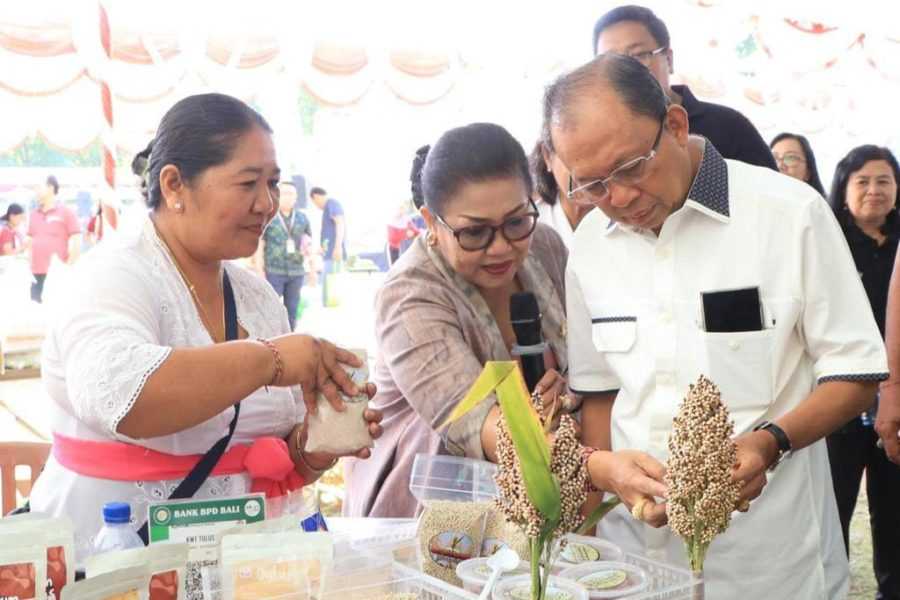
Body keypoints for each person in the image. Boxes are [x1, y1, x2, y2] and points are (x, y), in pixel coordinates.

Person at [545, 53, 887, 598]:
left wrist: (770, 442)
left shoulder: (788, 214)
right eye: (592, 186)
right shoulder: (589, 245)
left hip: (767, 554)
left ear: (675, 125)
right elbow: (601, 389)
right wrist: (609, 474)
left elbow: (856, 373)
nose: (620, 199)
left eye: (631, 168)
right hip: (638, 554)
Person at [29, 93, 383, 560]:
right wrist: (270, 360)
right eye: (248, 184)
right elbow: (123, 398)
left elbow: (265, 454)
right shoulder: (112, 275)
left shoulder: (254, 296)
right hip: (117, 564)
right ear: (174, 184)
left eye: (273, 183)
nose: (267, 203)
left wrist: (315, 446)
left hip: (241, 567)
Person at [345, 122, 672, 521]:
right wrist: (599, 468)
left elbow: (594, 367)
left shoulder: (545, 247)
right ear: (431, 222)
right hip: (442, 520)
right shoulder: (409, 296)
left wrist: (565, 398)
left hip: (556, 497)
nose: (501, 247)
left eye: (517, 221)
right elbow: (482, 425)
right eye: (475, 232)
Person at [825, 145, 900, 599]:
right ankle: (829, 585)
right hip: (841, 396)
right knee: (835, 501)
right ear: (845, 188)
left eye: (884, 181)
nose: (874, 190)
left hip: (895, 395)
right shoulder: (829, 241)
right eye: (863, 181)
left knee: (892, 507)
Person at [593, 5, 777, 171]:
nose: (627, 69)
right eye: (612, 62)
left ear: (669, 59)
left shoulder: (729, 127)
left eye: (640, 54)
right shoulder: (601, 143)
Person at [255, 181, 312, 331]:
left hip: (296, 271)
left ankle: (290, 340)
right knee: (270, 310)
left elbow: (308, 243)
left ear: (296, 197)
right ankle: (270, 342)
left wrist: (312, 269)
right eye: (284, 193)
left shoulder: (302, 218)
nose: (288, 197)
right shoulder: (269, 216)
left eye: (291, 193)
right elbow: (260, 242)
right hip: (274, 270)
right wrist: (259, 268)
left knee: (292, 310)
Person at [27, 175, 81, 302]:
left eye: (38, 187)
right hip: (35, 275)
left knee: (57, 311)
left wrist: (68, 266)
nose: (36, 191)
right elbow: (30, 242)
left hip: (57, 273)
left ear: (50, 188)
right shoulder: (33, 215)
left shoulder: (66, 213)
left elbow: (77, 241)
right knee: (35, 311)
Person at [529, 141, 592, 248]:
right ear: (548, 156)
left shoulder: (623, 218)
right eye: (573, 155)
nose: (586, 170)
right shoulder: (531, 226)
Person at [309, 186, 345, 305]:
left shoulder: (332, 203)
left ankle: (331, 306)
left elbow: (340, 223)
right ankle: (328, 304)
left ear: (316, 197)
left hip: (334, 253)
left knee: (331, 284)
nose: (316, 206)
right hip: (328, 252)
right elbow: (328, 233)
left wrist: (338, 247)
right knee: (327, 283)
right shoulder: (327, 209)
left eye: (314, 202)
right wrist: (321, 248)